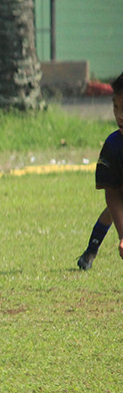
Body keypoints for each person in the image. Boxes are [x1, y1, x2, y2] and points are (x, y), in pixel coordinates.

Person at [93, 72, 123, 266]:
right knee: (112, 211)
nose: (119, 115)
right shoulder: (113, 147)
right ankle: (91, 250)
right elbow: (112, 193)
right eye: (115, 106)